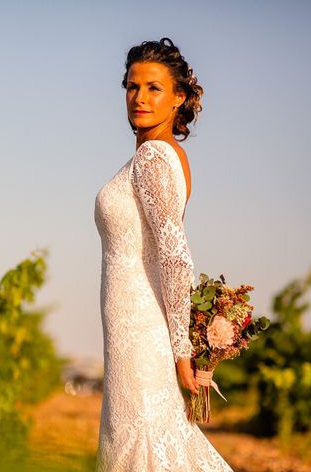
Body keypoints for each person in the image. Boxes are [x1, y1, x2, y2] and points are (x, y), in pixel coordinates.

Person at [93, 38, 234, 471]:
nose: (139, 98)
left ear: (179, 98)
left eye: (154, 88)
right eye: (132, 87)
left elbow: (174, 255)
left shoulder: (154, 156)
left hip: (142, 332)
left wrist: (182, 352)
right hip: (132, 329)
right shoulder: (162, 155)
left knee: (142, 442)